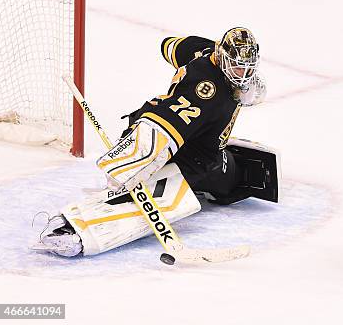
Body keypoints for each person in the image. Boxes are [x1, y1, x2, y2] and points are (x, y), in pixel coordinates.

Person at [31, 27, 280, 257]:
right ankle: (74, 230)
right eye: (238, 68)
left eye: (248, 68)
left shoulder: (205, 50)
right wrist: (137, 159)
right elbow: (169, 125)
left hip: (189, 138)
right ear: (224, 60)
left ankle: (196, 177)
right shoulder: (208, 92)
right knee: (150, 192)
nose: (244, 75)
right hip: (181, 149)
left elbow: (169, 46)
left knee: (226, 181)